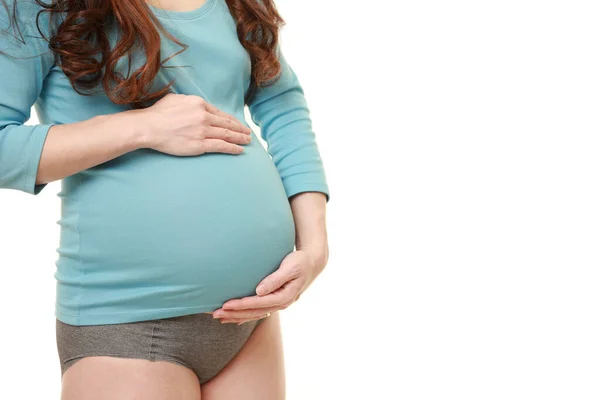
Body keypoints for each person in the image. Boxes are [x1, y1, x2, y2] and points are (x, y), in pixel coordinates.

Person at [0, 0, 330, 398]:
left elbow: (281, 101)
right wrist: (144, 127)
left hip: (250, 318)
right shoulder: (36, 6)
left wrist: (314, 248)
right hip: (128, 321)